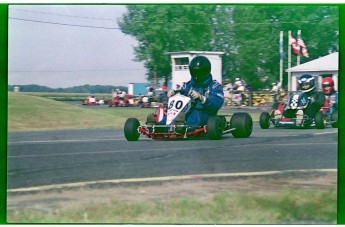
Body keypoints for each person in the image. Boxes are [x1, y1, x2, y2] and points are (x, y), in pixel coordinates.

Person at [147, 55, 224, 126]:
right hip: (185, 112)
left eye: (198, 72)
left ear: (205, 71)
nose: (196, 74)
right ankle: (159, 125)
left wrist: (201, 98)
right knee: (174, 115)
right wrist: (173, 94)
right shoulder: (188, 85)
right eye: (194, 72)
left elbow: (216, 105)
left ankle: (180, 126)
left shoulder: (215, 86)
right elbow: (181, 99)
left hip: (204, 112)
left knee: (194, 116)